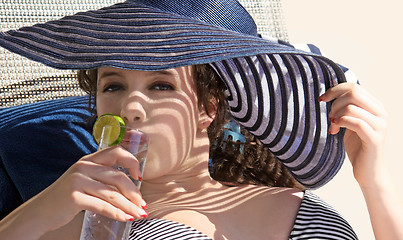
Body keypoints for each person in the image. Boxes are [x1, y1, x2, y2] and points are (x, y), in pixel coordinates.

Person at [0, 0, 402, 239]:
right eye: (112, 86)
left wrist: (374, 184)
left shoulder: (304, 211)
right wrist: (36, 214)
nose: (130, 107)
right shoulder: (83, 220)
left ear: (209, 106)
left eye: (161, 86)